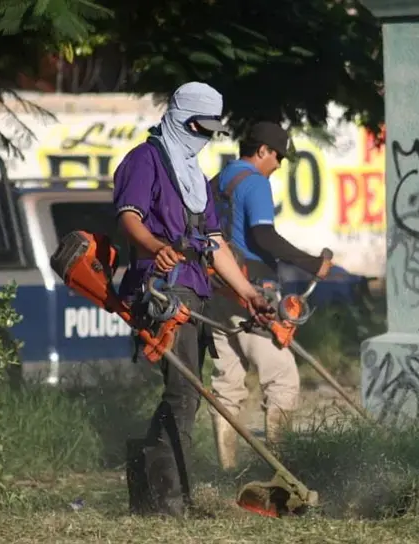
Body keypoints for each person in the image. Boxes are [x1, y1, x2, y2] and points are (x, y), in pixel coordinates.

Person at [112, 82, 273, 517]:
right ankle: (169, 503)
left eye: (211, 129)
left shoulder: (196, 177)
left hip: (196, 287)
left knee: (186, 395)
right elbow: (130, 216)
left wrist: (247, 292)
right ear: (180, 117)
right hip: (162, 288)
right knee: (183, 393)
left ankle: (153, 495)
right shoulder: (145, 160)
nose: (204, 136)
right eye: (198, 126)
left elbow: (214, 242)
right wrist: (152, 246)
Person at [206, 121, 332, 471]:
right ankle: (281, 469)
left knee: (228, 383)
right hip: (252, 296)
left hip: (216, 289)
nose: (278, 165)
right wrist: (311, 263)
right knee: (282, 378)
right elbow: (263, 236)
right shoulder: (255, 183)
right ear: (261, 151)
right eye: (277, 157)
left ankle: (227, 469)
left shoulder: (217, 182)